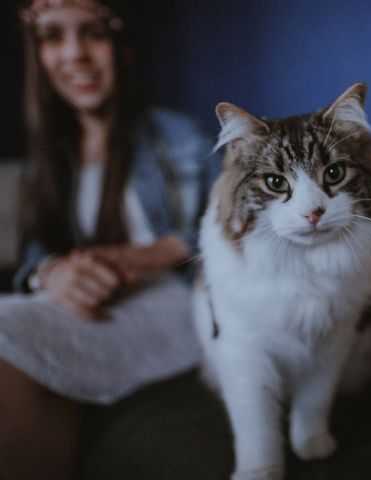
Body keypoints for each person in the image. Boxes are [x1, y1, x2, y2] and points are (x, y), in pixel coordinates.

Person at [0, 1, 219, 479]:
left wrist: (157, 251)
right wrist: (52, 273)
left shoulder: (181, 136)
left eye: (93, 32)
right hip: (96, 305)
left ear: (120, 44)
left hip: (177, 301)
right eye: (53, 36)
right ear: (36, 53)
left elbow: (236, 228)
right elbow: (39, 254)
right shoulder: (48, 157)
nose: (75, 53)